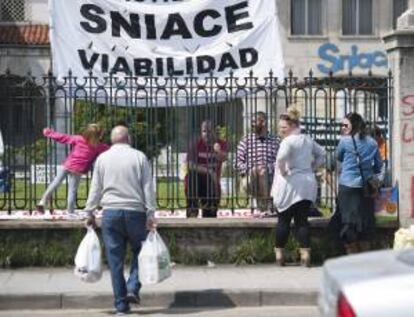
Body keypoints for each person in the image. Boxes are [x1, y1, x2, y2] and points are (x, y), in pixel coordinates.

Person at [84, 126, 156, 315]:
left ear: (112, 139)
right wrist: (150, 213)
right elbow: (148, 187)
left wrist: (89, 212)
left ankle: (121, 306)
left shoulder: (102, 158)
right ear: (128, 139)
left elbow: (96, 187)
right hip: (135, 213)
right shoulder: (139, 157)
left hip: (111, 214)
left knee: (115, 261)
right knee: (141, 252)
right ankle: (133, 286)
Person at [271, 108, 325, 267]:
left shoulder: (287, 141)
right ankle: (306, 255)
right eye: (280, 127)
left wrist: (283, 171)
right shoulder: (307, 139)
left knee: (283, 221)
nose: (281, 130)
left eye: (284, 127)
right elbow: (322, 154)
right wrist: (312, 168)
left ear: (293, 125)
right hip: (307, 184)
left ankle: (279, 255)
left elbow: (281, 158)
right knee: (302, 221)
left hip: (290, 184)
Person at [336, 113, 382, 254]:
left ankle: (352, 253)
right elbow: (378, 165)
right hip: (365, 186)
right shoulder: (372, 142)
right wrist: (368, 170)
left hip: (347, 186)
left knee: (348, 220)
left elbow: (339, 157)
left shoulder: (345, 141)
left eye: (345, 125)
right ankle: (364, 255)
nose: (343, 128)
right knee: (365, 219)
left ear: (353, 125)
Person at [36, 124, 109, 214]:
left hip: (67, 165)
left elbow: (63, 138)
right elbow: (111, 150)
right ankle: (70, 212)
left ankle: (42, 201)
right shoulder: (98, 146)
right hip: (77, 170)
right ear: (98, 135)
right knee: (72, 190)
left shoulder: (79, 139)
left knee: (55, 183)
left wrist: (49, 133)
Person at [235, 112, 280, 212]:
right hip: (251, 177)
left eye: (254, 121)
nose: (252, 124)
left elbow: (280, 162)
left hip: (270, 177)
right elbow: (237, 163)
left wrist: (266, 167)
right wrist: (253, 168)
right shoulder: (245, 141)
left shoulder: (276, 141)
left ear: (263, 122)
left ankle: (262, 207)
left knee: (263, 172)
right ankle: (267, 206)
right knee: (260, 172)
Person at [185, 120, 228, 218]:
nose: (207, 134)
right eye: (204, 131)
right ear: (201, 132)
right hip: (196, 183)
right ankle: (192, 210)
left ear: (214, 131)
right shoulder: (195, 143)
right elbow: (190, 165)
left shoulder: (220, 143)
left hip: (211, 185)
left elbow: (225, 158)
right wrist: (209, 172)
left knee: (210, 215)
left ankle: (209, 214)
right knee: (192, 175)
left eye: (209, 131)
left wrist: (218, 151)